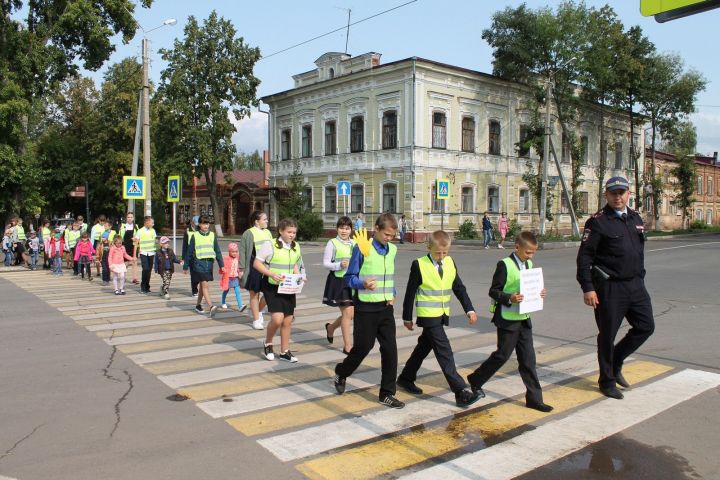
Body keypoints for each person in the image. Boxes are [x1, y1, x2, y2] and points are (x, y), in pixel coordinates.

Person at [576, 176, 655, 400]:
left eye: (622, 192)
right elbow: (584, 258)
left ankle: (617, 359)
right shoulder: (597, 222)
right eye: (613, 193)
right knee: (607, 336)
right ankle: (607, 380)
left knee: (645, 326)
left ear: (629, 194)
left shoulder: (635, 218)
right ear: (606, 195)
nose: (618, 197)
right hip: (610, 288)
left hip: (636, 285)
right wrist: (588, 288)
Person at [467, 231, 552, 412]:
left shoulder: (529, 264)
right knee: (502, 355)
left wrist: (540, 293)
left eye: (533, 252)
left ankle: (535, 399)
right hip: (507, 319)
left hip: (524, 318)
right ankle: (476, 379)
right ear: (517, 247)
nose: (531, 256)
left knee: (529, 360)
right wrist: (509, 298)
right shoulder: (504, 265)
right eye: (528, 252)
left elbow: (531, 286)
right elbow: (493, 291)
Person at [397, 230, 481, 407]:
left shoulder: (450, 262)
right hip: (428, 316)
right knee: (445, 351)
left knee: (423, 347)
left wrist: (469, 310)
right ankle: (460, 391)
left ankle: (405, 378)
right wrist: (407, 317)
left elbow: (459, 288)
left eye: (445, 252)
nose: (441, 256)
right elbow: (410, 292)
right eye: (438, 253)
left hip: (441, 313)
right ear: (428, 247)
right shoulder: (419, 264)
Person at [334, 213, 404, 409]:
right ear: (376, 229)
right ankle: (341, 371)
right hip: (365, 307)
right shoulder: (362, 248)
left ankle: (387, 393)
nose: (389, 238)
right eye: (386, 235)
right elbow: (349, 278)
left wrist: (393, 292)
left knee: (390, 350)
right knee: (362, 348)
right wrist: (362, 284)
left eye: (392, 235)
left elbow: (388, 275)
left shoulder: (393, 250)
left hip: (385, 308)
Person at [254, 218, 305, 363]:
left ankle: (284, 351)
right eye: (289, 232)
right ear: (281, 231)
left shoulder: (296, 246)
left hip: (289, 286)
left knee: (288, 320)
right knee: (277, 319)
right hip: (272, 285)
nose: (292, 235)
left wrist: (299, 276)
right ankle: (268, 343)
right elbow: (257, 263)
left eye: (294, 232)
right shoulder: (270, 245)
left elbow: (295, 263)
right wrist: (271, 274)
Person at [322, 216, 355, 354]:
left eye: (347, 228)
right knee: (347, 313)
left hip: (353, 281)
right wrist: (339, 265)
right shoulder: (332, 243)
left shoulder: (354, 243)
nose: (344, 231)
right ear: (337, 228)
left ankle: (331, 328)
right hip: (339, 281)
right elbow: (326, 263)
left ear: (351, 230)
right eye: (341, 228)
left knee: (351, 314)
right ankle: (348, 346)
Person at [184, 215, 224, 317]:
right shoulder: (195, 236)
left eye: (207, 223)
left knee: (203, 286)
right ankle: (211, 306)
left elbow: (217, 251)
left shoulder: (212, 235)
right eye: (203, 224)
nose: (206, 226)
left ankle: (198, 305)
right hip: (198, 263)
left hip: (209, 264)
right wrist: (185, 266)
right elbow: (189, 252)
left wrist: (221, 265)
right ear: (199, 225)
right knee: (205, 284)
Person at [239, 210, 272, 330]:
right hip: (253, 267)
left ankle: (257, 310)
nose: (267, 221)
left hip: (267, 267)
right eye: (264, 219)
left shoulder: (268, 232)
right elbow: (242, 251)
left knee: (269, 293)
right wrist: (241, 269)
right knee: (254, 294)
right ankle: (256, 319)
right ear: (257, 221)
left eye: (266, 219)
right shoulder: (248, 233)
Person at [220, 242, 247, 312]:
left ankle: (240, 306)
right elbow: (222, 267)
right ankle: (223, 302)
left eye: (236, 252)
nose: (235, 253)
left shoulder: (238, 258)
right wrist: (222, 269)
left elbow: (241, 265)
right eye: (233, 252)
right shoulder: (226, 259)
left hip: (235, 278)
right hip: (228, 278)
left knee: (237, 292)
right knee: (226, 291)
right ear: (229, 251)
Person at [134, 215, 157, 294]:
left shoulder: (153, 231)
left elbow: (154, 241)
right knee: (145, 269)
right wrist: (134, 255)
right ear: (147, 222)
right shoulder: (140, 231)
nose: (153, 224)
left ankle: (147, 286)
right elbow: (136, 243)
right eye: (152, 223)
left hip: (151, 253)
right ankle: (143, 286)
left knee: (149, 270)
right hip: (143, 253)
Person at [181, 216, 200, 297]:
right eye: (195, 224)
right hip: (191, 256)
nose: (197, 225)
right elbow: (184, 245)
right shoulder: (187, 231)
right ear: (192, 222)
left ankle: (198, 287)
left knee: (200, 274)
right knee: (193, 274)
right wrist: (183, 258)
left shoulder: (201, 230)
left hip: (200, 255)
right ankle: (194, 290)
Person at [119, 212, 139, 284]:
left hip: (133, 246)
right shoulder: (123, 226)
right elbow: (120, 237)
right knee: (125, 263)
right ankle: (123, 277)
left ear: (133, 218)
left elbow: (138, 236)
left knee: (134, 262)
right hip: (125, 246)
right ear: (126, 218)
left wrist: (136, 238)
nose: (130, 218)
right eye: (128, 217)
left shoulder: (136, 226)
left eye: (131, 217)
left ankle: (135, 278)